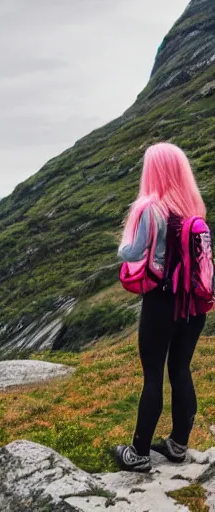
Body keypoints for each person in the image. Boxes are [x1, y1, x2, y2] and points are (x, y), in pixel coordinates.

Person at [115, 142, 209, 472]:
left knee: (152, 375)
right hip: (195, 305)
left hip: (162, 302)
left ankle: (138, 453)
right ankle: (178, 445)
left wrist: (124, 247)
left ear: (152, 171)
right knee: (181, 370)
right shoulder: (193, 207)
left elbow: (130, 252)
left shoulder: (149, 208)